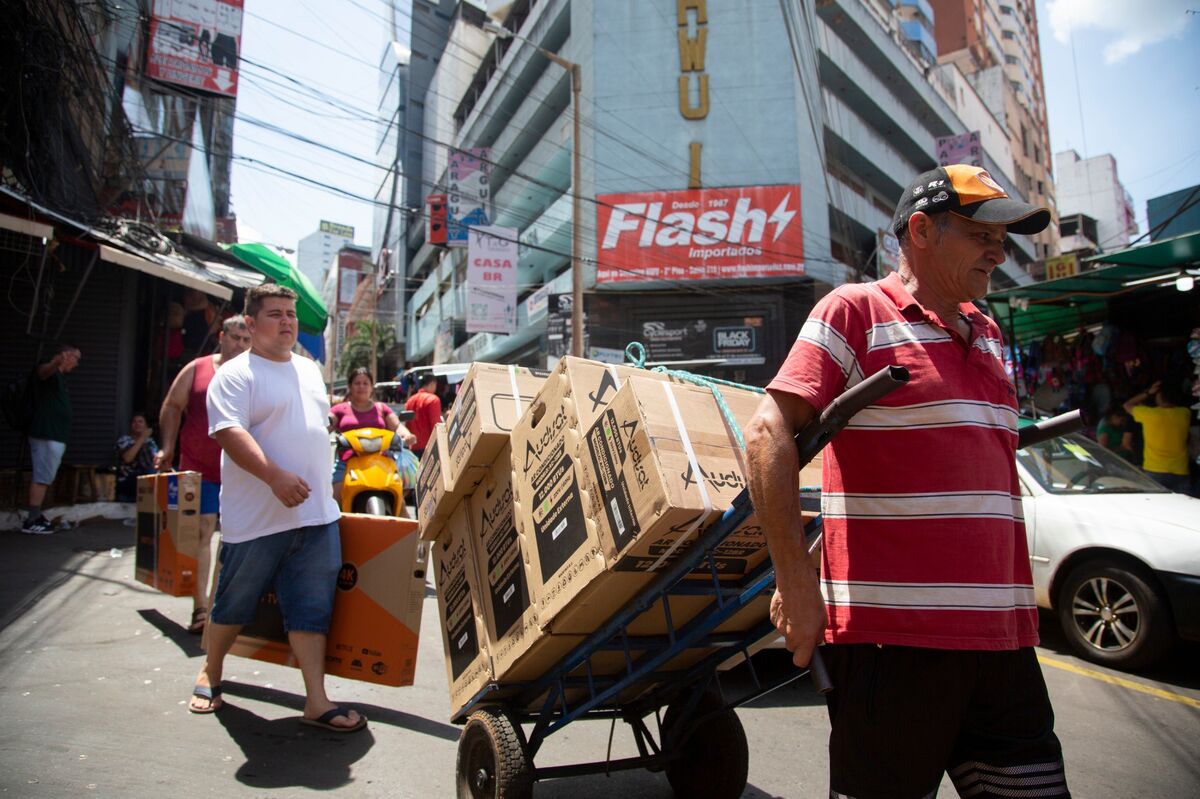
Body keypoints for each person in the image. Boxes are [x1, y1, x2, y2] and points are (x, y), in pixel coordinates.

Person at [746, 165, 1070, 799]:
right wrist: (795, 580)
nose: (999, 252)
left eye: (1002, 239)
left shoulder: (989, 332)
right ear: (922, 230)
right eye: (981, 234)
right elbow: (767, 434)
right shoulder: (855, 310)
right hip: (894, 649)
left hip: (1006, 644)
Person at [188, 284, 365, 732]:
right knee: (233, 603)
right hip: (257, 519)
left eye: (290, 314)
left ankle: (317, 701)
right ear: (250, 324)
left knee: (311, 608)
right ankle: (211, 669)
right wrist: (275, 477)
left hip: (316, 516)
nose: (287, 321)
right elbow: (229, 432)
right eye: (274, 314)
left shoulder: (309, 369)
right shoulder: (235, 374)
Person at [155, 315, 251, 633]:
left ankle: (215, 606)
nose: (239, 344)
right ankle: (200, 608)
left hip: (240, 469)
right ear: (221, 337)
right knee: (202, 532)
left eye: (245, 339)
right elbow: (172, 406)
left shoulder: (255, 373)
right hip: (199, 466)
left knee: (232, 538)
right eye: (234, 337)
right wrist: (166, 448)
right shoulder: (197, 369)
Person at [328, 367, 417, 505]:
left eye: (365, 383)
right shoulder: (339, 409)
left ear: (371, 387)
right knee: (335, 502)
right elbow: (326, 425)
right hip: (347, 462)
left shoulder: (381, 408)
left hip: (382, 461)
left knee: (400, 506)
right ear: (350, 386)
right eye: (357, 383)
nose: (361, 386)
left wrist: (407, 435)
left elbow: (397, 426)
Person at [22, 345, 81, 535]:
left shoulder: (61, 380)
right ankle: (31, 520)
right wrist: (56, 362)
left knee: (45, 476)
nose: (77, 363)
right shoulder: (51, 372)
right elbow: (42, 372)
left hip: (54, 435)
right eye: (76, 358)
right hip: (47, 434)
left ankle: (36, 516)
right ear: (67, 356)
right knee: (42, 476)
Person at [1124, 379, 1192, 493]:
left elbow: (1127, 405)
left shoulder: (1149, 414)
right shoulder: (1185, 413)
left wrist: (1148, 393)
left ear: (1159, 396)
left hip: (1154, 470)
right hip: (1181, 470)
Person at [115, 412, 159, 502]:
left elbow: (157, 461)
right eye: (134, 422)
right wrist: (142, 438)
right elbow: (127, 459)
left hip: (148, 479)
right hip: (128, 480)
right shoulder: (125, 440)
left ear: (146, 426)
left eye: (140, 422)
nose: (137, 424)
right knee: (150, 473)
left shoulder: (150, 442)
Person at [404, 372, 443, 457]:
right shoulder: (433, 400)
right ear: (432, 384)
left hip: (413, 448)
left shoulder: (410, 400)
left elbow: (407, 424)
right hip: (429, 448)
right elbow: (436, 425)